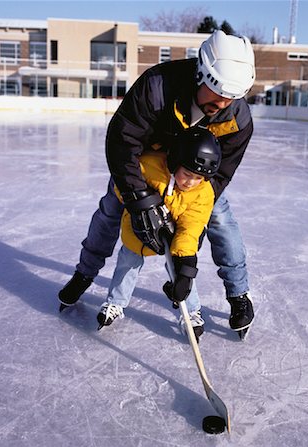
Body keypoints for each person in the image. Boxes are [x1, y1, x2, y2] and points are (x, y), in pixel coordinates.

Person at [58, 30, 255, 337]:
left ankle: (239, 294)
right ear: (201, 75)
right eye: (218, 94)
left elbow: (219, 175)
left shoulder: (238, 120)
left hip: (192, 181)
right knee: (111, 209)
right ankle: (84, 274)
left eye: (232, 97)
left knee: (220, 218)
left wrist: (194, 211)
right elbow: (123, 142)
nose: (224, 103)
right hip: (144, 169)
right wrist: (139, 198)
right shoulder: (157, 87)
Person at [96, 127, 222, 341]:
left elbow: (191, 228)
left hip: (173, 237)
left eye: (198, 178)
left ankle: (191, 312)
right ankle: (115, 302)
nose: (190, 182)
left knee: (180, 271)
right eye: (187, 174)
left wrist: (186, 271)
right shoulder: (149, 166)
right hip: (136, 230)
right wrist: (143, 200)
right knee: (127, 263)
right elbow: (123, 182)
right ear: (176, 162)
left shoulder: (203, 194)